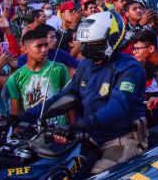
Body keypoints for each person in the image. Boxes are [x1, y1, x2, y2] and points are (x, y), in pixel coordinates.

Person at [31, 11, 148, 176]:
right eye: (85, 43)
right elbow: (66, 95)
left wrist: (79, 125)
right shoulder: (86, 65)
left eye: (94, 43)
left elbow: (118, 107)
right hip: (90, 136)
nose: (85, 49)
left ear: (111, 39)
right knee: (55, 170)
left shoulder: (129, 68)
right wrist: (25, 116)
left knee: (99, 175)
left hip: (122, 137)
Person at [7, 29, 70, 119]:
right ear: (25, 49)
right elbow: (16, 113)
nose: (44, 50)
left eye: (46, 45)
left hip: (59, 129)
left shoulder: (59, 69)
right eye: (38, 46)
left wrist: (72, 125)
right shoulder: (15, 78)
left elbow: (68, 99)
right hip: (32, 131)